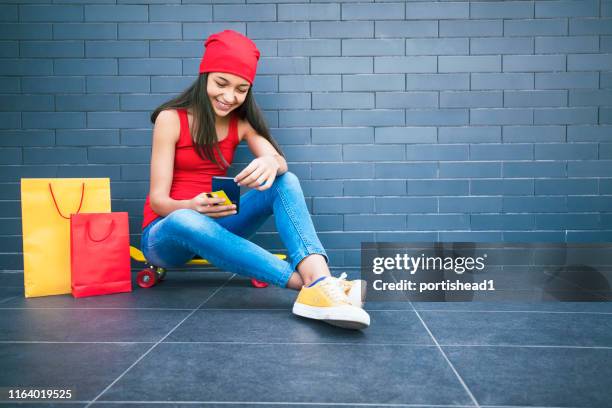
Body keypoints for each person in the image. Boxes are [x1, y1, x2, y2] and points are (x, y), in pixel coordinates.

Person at [140, 30, 370, 330]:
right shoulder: (171, 118)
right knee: (186, 219)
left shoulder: (241, 123)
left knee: (285, 180)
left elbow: (281, 164)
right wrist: (191, 206)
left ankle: (320, 279)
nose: (229, 97)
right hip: (166, 233)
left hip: (217, 224)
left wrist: (269, 161)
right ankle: (314, 287)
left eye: (241, 89)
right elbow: (158, 201)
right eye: (221, 84)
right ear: (204, 77)